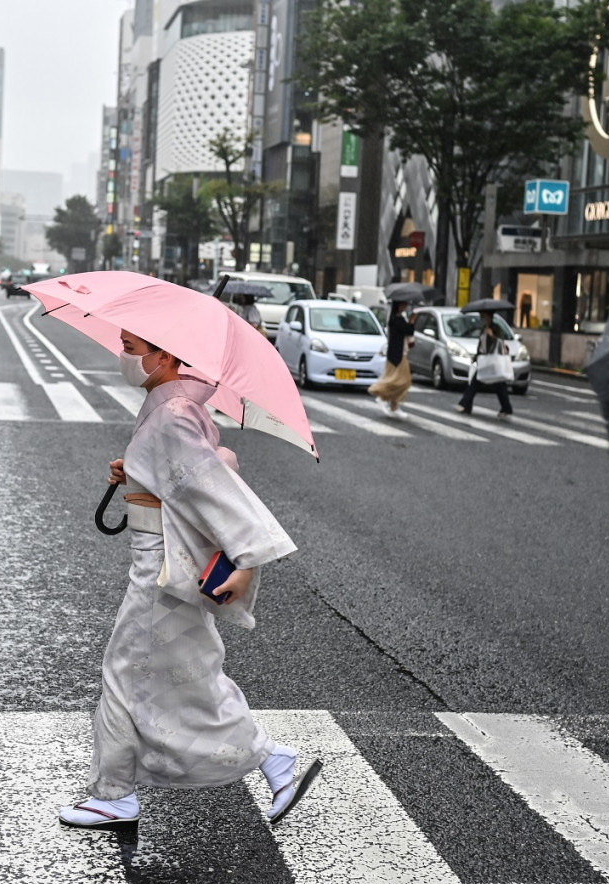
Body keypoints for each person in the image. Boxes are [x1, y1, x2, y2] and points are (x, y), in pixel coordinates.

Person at [57, 330, 321, 833]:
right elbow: (197, 469)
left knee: (126, 673)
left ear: (166, 355)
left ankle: (114, 795)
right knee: (190, 676)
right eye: (125, 345)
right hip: (159, 566)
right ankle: (268, 757)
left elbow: (214, 485)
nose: (125, 356)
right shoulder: (174, 408)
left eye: (134, 348)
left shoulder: (173, 413)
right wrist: (132, 471)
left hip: (159, 573)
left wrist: (246, 558)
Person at [457, 310, 514, 419]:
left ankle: (466, 404)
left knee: (498, 385)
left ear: (490, 317)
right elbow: (482, 345)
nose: (484, 319)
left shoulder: (496, 328)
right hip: (484, 360)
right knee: (476, 382)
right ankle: (466, 405)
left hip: (494, 361)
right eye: (483, 317)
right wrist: (476, 357)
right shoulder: (483, 329)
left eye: (485, 317)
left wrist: (492, 335)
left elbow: (500, 342)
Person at [369, 299, 415, 417]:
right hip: (397, 355)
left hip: (399, 353)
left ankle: (394, 406)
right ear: (397, 306)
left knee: (398, 380)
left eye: (405, 304)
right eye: (402, 304)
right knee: (401, 381)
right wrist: (411, 322)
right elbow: (408, 330)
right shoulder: (396, 320)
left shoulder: (397, 319)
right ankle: (382, 396)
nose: (404, 306)